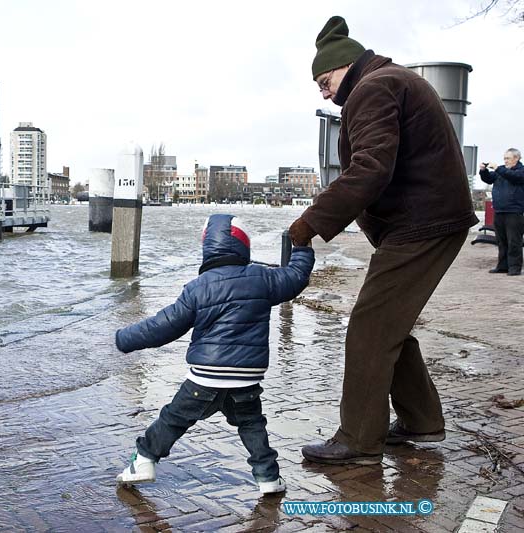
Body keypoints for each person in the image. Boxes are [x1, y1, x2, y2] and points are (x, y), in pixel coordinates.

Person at [289, 16, 478, 465]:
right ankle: (420, 421)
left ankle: (358, 439)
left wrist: (309, 223)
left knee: (370, 327)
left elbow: (371, 167)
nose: (322, 90)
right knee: (388, 326)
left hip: (422, 225)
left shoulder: (373, 88)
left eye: (324, 79)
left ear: (346, 65)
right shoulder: (392, 81)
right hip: (429, 220)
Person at [114, 214, 314, 494]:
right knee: (252, 425)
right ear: (244, 246)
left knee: (173, 419)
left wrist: (125, 338)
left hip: (205, 376)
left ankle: (145, 460)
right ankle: (268, 478)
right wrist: (302, 248)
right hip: (246, 376)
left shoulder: (197, 288)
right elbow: (296, 277)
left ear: (207, 247)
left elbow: (163, 326)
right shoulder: (262, 278)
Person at [479, 149, 524, 276]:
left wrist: (498, 168)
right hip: (499, 211)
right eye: (504, 158)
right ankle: (502, 266)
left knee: (514, 241)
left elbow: (514, 177)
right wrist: (483, 171)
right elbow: (488, 179)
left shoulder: (520, 171)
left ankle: (514, 268)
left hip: (514, 212)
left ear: (516, 158)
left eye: (508, 158)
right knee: (501, 241)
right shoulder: (501, 171)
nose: (505, 161)